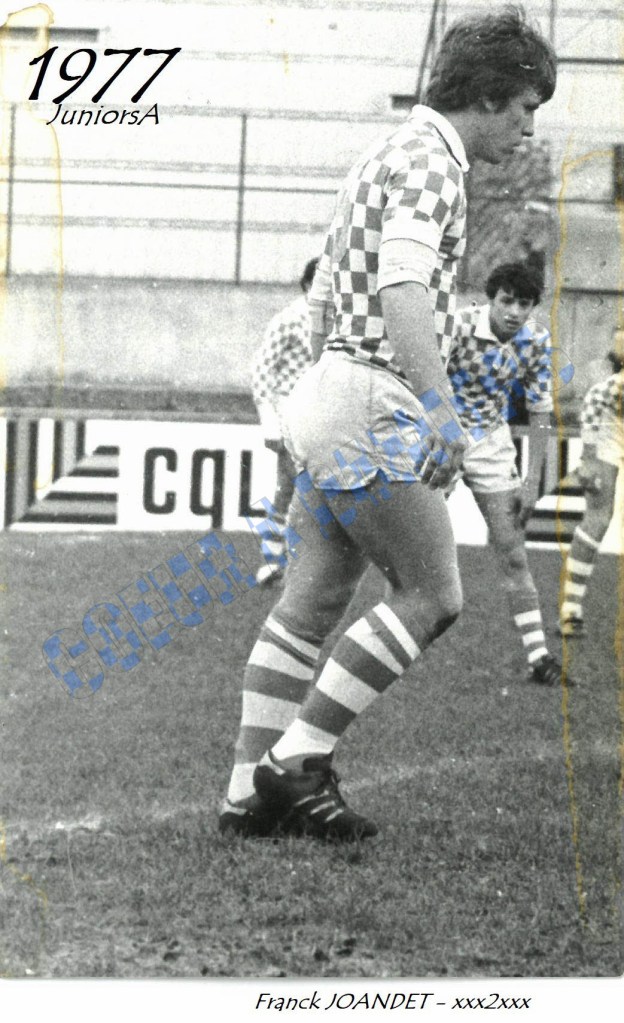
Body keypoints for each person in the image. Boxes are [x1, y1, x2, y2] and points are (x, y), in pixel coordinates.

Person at [220, 5, 557, 841]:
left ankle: (243, 795)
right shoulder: (435, 164)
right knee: (434, 593)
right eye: (525, 107)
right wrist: (436, 409)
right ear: (488, 94)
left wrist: (330, 388)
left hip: (328, 389)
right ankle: (297, 760)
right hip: (372, 395)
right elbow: (404, 285)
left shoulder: (380, 153)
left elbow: (323, 298)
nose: (528, 128)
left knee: (307, 606)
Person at [446, 262, 569, 686]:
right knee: (414, 549)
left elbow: (540, 411)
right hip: (439, 436)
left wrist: (533, 480)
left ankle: (539, 658)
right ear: (492, 298)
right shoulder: (459, 325)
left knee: (513, 552)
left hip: (491, 443)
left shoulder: (535, 339)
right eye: (507, 301)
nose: (515, 312)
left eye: (524, 304)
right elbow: (424, 383)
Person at [250, 257, 319, 584]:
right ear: (307, 285)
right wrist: (269, 421)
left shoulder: (337, 322)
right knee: (302, 487)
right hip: (291, 411)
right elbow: (262, 369)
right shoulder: (290, 319)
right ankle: (287, 564)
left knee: (288, 489)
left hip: (321, 414)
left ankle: (274, 560)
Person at [559, 340, 624, 636]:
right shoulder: (612, 387)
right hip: (610, 433)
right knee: (598, 519)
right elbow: (595, 398)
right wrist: (586, 459)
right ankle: (570, 610)